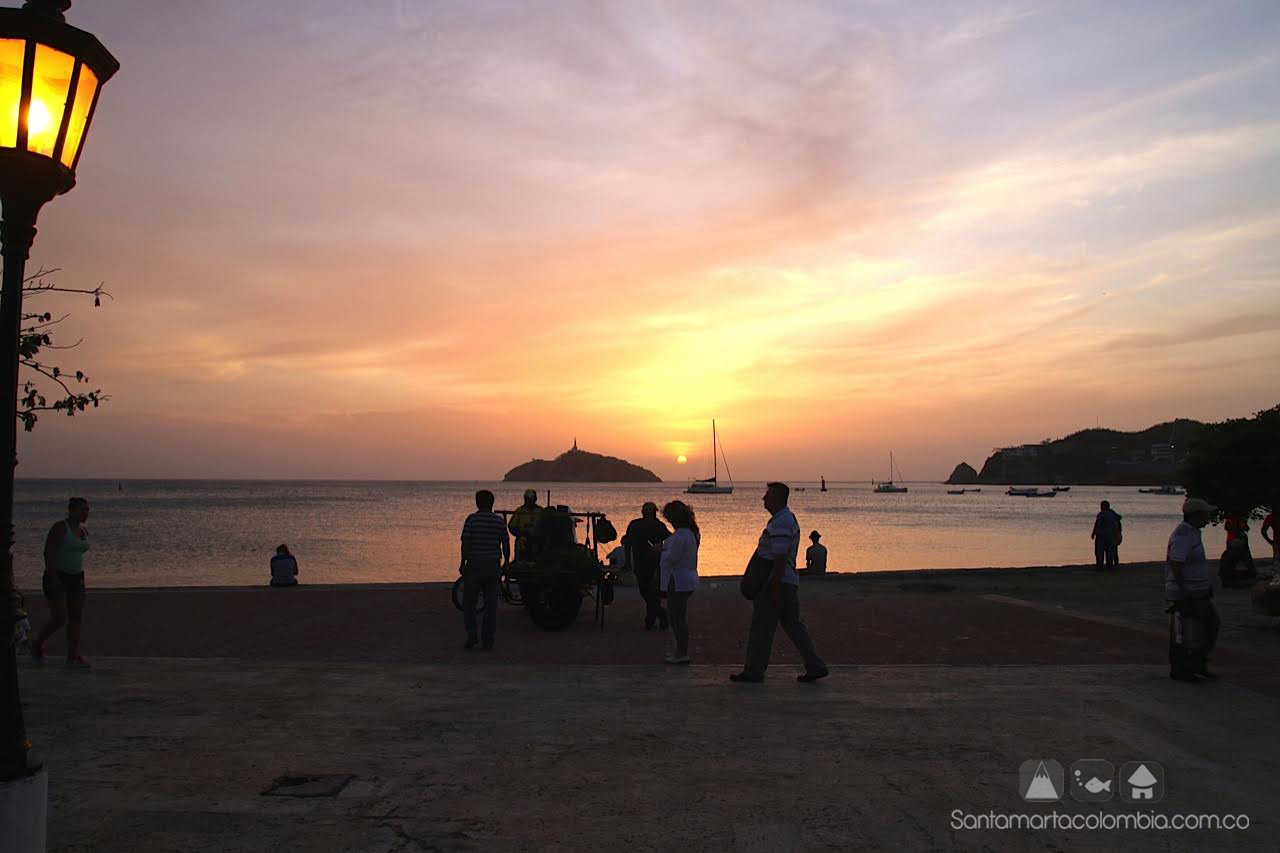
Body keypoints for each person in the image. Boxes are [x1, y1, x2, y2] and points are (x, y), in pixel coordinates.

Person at [731, 482, 828, 684]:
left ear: (776, 498)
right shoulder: (783, 520)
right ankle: (815, 665)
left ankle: (754, 671)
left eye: (767, 495)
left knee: (762, 628)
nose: (763, 499)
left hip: (776, 583)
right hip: (786, 582)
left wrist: (774, 589)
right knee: (793, 626)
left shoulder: (781, 522)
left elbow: (780, 558)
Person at [31, 497, 92, 668]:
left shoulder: (83, 530)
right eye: (82, 509)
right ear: (71, 511)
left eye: (87, 510)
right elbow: (48, 552)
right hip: (57, 575)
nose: (86, 513)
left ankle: (72, 657)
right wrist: (53, 576)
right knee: (59, 618)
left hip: (77, 578)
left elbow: (76, 551)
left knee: (76, 617)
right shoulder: (60, 527)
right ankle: (37, 645)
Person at [1166, 497, 1220, 682]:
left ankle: (1196, 664)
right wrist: (1185, 590)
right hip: (1187, 592)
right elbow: (1176, 564)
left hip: (1198, 590)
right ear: (1195, 515)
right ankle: (1184, 668)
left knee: (1205, 626)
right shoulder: (1183, 535)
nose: (1208, 518)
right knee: (1186, 630)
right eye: (1205, 514)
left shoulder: (1194, 533)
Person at [460, 489, 510, 650]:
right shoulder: (498, 522)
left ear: (477, 503)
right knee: (491, 605)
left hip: (475, 564)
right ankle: (488, 639)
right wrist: (506, 561)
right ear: (492, 503)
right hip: (493, 565)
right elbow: (506, 543)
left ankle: (472, 634)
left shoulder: (472, 520)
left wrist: (463, 562)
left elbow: (466, 542)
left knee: (469, 602)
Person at [657, 500, 699, 664]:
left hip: (678, 579)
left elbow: (672, 558)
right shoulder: (690, 533)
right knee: (677, 616)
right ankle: (679, 651)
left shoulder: (681, 535)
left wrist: (660, 551)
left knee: (677, 617)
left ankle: (682, 652)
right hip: (685, 577)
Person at [623, 502, 670, 630]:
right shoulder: (658, 526)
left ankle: (654, 618)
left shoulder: (635, 525)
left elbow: (627, 544)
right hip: (655, 564)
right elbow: (671, 540)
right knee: (652, 593)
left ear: (643, 512)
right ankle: (653, 618)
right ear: (654, 513)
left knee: (647, 592)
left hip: (642, 564)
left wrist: (627, 562)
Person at [1219, 513, 1257, 587]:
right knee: (1232, 557)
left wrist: (1241, 527)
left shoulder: (1239, 519)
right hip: (1232, 540)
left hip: (1239, 539)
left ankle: (1248, 573)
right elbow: (1227, 528)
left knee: (1244, 556)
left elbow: (1246, 528)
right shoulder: (1230, 519)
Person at [508, 489, 542, 561]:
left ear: (535, 499)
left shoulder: (540, 511)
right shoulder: (519, 511)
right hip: (522, 540)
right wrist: (520, 533)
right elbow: (511, 526)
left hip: (537, 539)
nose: (528, 501)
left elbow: (545, 526)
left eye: (530, 499)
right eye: (527, 499)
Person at [1090, 501, 1123, 570]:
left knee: (1099, 552)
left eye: (1101, 506)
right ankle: (1109, 565)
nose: (1100, 507)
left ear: (1104, 506)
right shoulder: (1112, 513)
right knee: (1109, 551)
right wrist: (1118, 532)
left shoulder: (1101, 514)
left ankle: (1100, 566)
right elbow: (1119, 518)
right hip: (1111, 536)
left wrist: (1093, 533)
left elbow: (1097, 524)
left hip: (1101, 535)